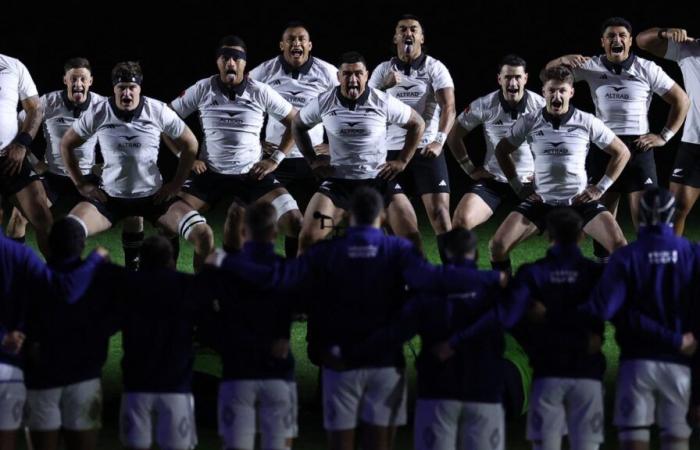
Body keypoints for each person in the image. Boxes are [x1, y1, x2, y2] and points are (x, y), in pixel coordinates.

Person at [334, 227, 508, 450]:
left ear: (445, 252)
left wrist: (348, 353)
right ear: (475, 254)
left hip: (437, 393)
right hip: (485, 393)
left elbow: (394, 333)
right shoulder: (495, 289)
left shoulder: (427, 290)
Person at [546, 17, 690, 261]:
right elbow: (547, 76)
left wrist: (663, 136)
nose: (617, 39)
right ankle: (606, 276)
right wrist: (562, 61)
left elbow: (681, 100)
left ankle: (648, 277)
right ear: (602, 42)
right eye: (611, 36)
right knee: (600, 222)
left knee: (648, 223)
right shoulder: (590, 65)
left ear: (630, 41)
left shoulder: (646, 68)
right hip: (605, 149)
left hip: (638, 150)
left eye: (622, 35)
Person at [60, 61, 214, 270]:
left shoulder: (157, 110)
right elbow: (67, 144)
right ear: (114, 89)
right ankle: (69, 294)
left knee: (203, 234)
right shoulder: (99, 111)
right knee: (68, 232)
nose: (127, 93)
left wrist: (177, 184)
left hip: (153, 197)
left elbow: (190, 143)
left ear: (139, 88)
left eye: (132, 88)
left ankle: (199, 295)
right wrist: (81, 184)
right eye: (121, 88)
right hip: (110, 198)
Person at [581, 187, 697, 450]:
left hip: (637, 365)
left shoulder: (626, 256)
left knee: (634, 441)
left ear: (641, 216)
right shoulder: (691, 253)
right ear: (671, 216)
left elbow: (602, 309)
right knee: (676, 441)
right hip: (680, 365)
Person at [5, 57, 146, 270]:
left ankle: (133, 270)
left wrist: (109, 165)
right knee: (18, 218)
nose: (77, 84)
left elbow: (125, 134)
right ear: (65, 80)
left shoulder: (103, 104)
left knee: (133, 208)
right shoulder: (48, 102)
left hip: (87, 175)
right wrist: (32, 160)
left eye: (82, 79)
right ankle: (14, 275)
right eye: (73, 79)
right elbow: (17, 125)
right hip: (54, 175)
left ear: (90, 81)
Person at [169, 35, 303, 255]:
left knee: (295, 221)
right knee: (169, 219)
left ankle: (291, 283)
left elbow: (296, 122)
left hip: (251, 174)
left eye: (236, 58)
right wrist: (185, 159)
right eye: (225, 57)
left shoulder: (259, 90)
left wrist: (275, 159)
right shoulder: (203, 88)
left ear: (244, 63)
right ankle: (177, 283)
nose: (230, 62)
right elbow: (166, 119)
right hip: (210, 173)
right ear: (218, 62)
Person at [489, 65, 629, 274]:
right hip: (542, 202)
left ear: (571, 92)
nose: (557, 95)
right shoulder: (529, 120)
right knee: (497, 247)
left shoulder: (586, 120)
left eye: (562, 90)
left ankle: (608, 293)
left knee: (620, 247)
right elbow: (501, 150)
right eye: (552, 90)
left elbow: (622, 152)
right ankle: (507, 295)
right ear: (543, 92)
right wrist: (519, 187)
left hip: (580, 202)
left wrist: (600, 189)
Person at [292, 51, 426, 254]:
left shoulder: (381, 100)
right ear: (338, 77)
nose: (352, 79)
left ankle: (411, 285)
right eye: (346, 74)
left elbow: (417, 123)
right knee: (308, 238)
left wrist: (403, 161)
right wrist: (312, 160)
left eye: (358, 74)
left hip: (379, 182)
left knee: (411, 238)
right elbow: (297, 125)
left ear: (366, 75)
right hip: (339, 184)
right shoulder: (324, 101)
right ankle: (306, 284)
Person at [0, 197, 107, 450]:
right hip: (17, 370)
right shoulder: (19, 254)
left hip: (36, 378)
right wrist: (95, 260)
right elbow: (63, 289)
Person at [23, 217, 124, 450]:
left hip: (41, 381)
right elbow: (115, 319)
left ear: (49, 243)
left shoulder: (33, 278)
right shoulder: (97, 283)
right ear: (81, 245)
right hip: (84, 379)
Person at [204, 202, 297, 450]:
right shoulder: (287, 270)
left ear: (243, 231)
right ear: (275, 233)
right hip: (278, 372)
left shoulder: (222, 267)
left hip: (238, 370)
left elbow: (200, 308)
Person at [369, 14, 456, 260]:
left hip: (426, 149)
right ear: (395, 37)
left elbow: (448, 106)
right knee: (397, 224)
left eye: (414, 29)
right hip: (391, 152)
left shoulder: (434, 67)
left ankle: (453, 276)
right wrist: (382, 87)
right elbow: (365, 105)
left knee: (440, 215)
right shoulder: (382, 70)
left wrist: (439, 140)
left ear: (421, 37)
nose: (408, 33)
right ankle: (408, 279)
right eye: (403, 29)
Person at [249, 21, 338, 257]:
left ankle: (311, 267)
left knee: (320, 218)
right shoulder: (263, 71)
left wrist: (335, 146)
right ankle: (269, 272)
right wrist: (255, 141)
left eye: (301, 39)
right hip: (277, 159)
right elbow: (244, 104)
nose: (296, 43)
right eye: (290, 39)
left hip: (313, 158)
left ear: (309, 45)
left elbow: (349, 106)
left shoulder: (328, 72)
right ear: (282, 45)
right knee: (269, 220)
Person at [118, 236, 199, 450]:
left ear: (141, 261)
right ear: (171, 260)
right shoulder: (188, 286)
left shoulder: (127, 287)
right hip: (176, 386)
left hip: (136, 387)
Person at [447, 54, 545, 230]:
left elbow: (560, 141)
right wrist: (470, 169)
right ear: (499, 79)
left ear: (526, 78)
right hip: (494, 180)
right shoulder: (485, 104)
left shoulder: (541, 106)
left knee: (562, 227)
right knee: (460, 222)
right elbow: (453, 135)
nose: (513, 84)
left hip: (531, 184)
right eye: (507, 77)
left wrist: (544, 173)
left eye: (517, 77)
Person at [636, 27, 700, 235]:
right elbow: (642, 41)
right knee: (678, 207)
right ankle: (670, 259)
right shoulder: (690, 48)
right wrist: (665, 33)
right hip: (694, 142)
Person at [0, 52, 51, 256]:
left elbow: (35, 109)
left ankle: (59, 280)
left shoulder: (13, 65)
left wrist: (22, 144)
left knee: (43, 217)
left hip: (10, 157)